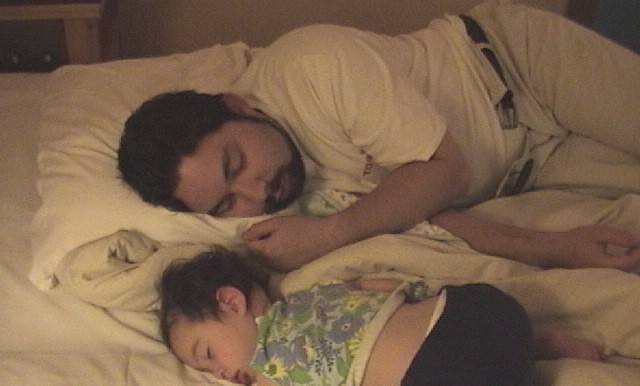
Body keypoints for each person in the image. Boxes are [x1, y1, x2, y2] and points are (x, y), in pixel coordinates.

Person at [118, 1, 640, 273]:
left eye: (236, 165)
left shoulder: (313, 66)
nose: (256, 193)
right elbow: (420, 212)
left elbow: (444, 171)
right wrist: (556, 248)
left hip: (518, 69)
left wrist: (328, 233)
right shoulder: (277, 211)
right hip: (530, 171)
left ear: (237, 106)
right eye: (226, 202)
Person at [158, 247, 604, 386]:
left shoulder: (270, 370)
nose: (219, 374)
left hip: (458, 382)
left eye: (207, 355)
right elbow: (379, 286)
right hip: (488, 312)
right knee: (465, 333)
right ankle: (543, 344)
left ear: (230, 302)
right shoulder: (314, 295)